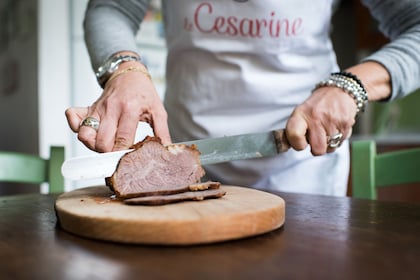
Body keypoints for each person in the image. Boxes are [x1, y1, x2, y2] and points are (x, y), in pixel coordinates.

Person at [66, 0, 420, 196]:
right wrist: (124, 69)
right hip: (185, 174)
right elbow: (110, 6)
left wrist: (352, 84)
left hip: (303, 171)